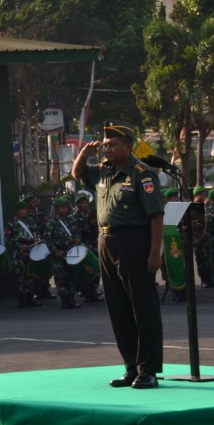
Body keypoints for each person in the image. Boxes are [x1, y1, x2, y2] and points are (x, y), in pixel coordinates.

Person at [72, 124, 166, 389]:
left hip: (134, 242)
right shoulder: (103, 171)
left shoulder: (142, 175)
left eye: (112, 144)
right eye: (105, 144)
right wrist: (84, 154)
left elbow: (156, 216)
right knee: (118, 308)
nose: (106, 148)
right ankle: (131, 367)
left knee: (142, 307)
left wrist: (155, 253)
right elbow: (77, 173)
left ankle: (148, 370)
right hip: (106, 241)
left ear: (128, 146)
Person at [44, 194, 81, 308]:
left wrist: (78, 239)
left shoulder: (71, 220)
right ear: (57, 209)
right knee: (61, 278)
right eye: (62, 207)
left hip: (71, 253)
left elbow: (77, 232)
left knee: (71, 276)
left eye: (66, 207)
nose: (65, 209)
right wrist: (54, 251)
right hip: (58, 254)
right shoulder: (52, 223)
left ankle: (71, 298)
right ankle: (64, 300)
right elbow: (47, 238)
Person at [6, 195, 43, 307]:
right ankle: (22, 299)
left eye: (25, 209)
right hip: (19, 255)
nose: (25, 211)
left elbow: (35, 233)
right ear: (17, 211)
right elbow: (8, 240)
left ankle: (30, 297)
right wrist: (19, 246)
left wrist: (36, 240)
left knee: (30, 276)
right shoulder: (11, 224)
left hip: (31, 253)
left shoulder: (29, 222)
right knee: (21, 277)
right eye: (22, 209)